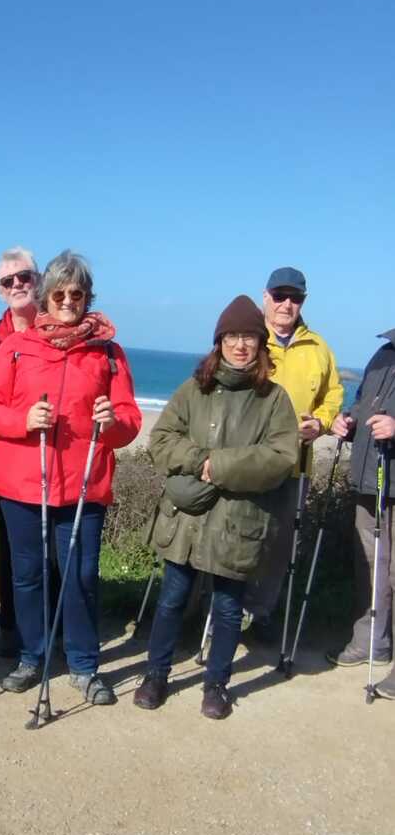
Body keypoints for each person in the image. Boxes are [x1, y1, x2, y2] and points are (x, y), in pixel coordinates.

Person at [0, 249, 142, 705]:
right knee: (27, 576)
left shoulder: (108, 353)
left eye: (78, 294)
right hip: (22, 485)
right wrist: (23, 420)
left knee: (81, 576)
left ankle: (84, 664)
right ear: (46, 297)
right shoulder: (16, 347)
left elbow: (129, 419)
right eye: (60, 294)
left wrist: (112, 422)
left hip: (83, 486)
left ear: (88, 298)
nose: (69, 301)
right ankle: (32, 655)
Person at [134, 296, 298, 719]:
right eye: (232, 337)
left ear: (260, 343)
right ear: (219, 342)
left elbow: (282, 457)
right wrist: (198, 461)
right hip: (188, 519)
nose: (240, 345)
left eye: (249, 337)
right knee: (172, 600)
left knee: (227, 608)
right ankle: (156, 674)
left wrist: (218, 466)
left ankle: (216, 684)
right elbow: (161, 439)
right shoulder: (195, 389)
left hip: (238, 523)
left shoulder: (274, 399)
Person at [243, 266, 343, 637]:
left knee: (280, 545)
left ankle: (262, 614)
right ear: (265, 297)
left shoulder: (318, 347)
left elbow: (333, 394)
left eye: (295, 297)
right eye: (280, 296)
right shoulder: (247, 339)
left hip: (295, 466)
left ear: (303, 301)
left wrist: (321, 422)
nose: (287, 304)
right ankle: (220, 611)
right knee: (237, 537)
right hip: (248, 462)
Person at [325, 331, 395, 690]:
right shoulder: (383, 353)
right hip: (371, 479)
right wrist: (348, 422)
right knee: (370, 564)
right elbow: (362, 402)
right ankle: (372, 642)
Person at [0, 246, 40, 658]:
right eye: (8, 280)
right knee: (11, 550)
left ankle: (49, 626)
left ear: (39, 280)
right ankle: (10, 624)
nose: (17, 284)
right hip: (7, 462)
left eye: (24, 277)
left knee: (53, 553)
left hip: (56, 459)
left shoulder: (60, 330)